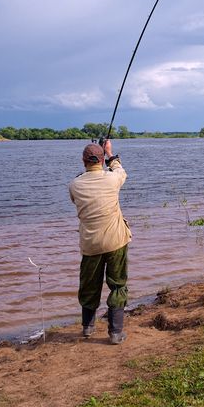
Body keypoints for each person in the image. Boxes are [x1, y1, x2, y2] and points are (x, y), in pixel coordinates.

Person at [69, 139, 132, 344]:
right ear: (102, 160)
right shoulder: (113, 179)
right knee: (118, 284)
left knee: (89, 286)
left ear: (83, 161)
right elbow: (120, 170)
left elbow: (75, 199)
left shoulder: (75, 184)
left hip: (91, 245)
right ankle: (115, 332)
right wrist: (110, 154)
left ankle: (88, 327)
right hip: (116, 241)